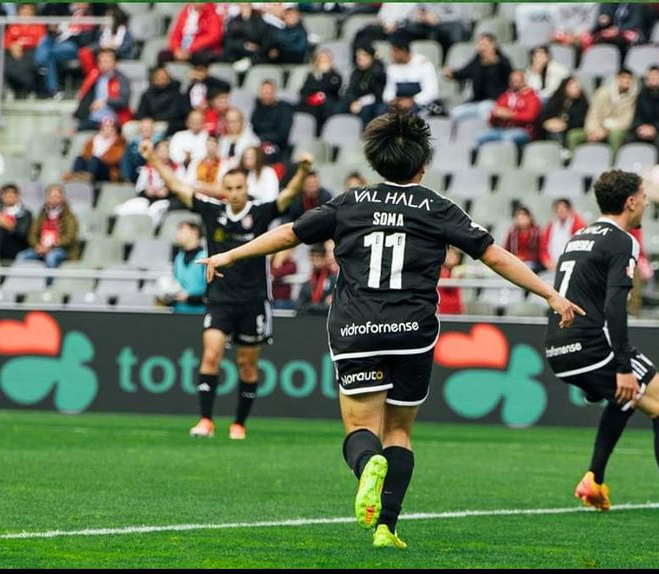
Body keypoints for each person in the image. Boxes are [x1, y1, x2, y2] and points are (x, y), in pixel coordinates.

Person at [199, 109, 582, 549]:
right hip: (413, 331)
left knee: (360, 428)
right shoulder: (437, 207)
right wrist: (550, 294)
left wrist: (230, 255)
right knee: (399, 431)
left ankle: (367, 466)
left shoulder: (350, 203)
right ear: (422, 165)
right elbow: (494, 255)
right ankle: (387, 527)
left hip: (357, 327)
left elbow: (289, 234)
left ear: (376, 162)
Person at [544, 169, 659, 522]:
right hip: (593, 345)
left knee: (626, 398)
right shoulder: (622, 241)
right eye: (643, 197)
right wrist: (622, 366)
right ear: (630, 202)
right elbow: (614, 308)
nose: (645, 203)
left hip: (556, 346)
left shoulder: (578, 237)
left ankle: (594, 479)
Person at [140, 139, 314, 441]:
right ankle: (205, 420)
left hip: (253, 300)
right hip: (219, 299)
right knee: (211, 356)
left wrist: (302, 171)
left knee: (247, 365)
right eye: (229, 188)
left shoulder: (260, 212)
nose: (234, 193)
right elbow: (178, 186)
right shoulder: (212, 211)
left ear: (246, 188)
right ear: (223, 189)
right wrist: (153, 159)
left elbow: (288, 195)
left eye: (239, 188)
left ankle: (239, 424)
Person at [444, 33, 511, 123]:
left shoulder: (502, 61)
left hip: (495, 102)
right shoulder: (477, 61)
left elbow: (510, 73)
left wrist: (495, 61)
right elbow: (463, 72)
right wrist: (452, 74)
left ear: (493, 45)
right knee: (455, 113)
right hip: (476, 102)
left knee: (484, 111)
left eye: (485, 45)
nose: (483, 48)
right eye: (480, 44)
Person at [17, 185, 80, 269]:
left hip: (62, 250)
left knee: (51, 257)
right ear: (46, 198)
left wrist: (52, 246)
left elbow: (70, 237)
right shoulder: (41, 215)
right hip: (40, 248)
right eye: (51, 196)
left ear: (62, 198)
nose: (54, 199)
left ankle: (50, 278)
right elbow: (32, 233)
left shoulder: (70, 217)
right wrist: (37, 245)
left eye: (57, 196)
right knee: (21, 256)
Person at [477, 70, 542, 148]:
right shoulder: (505, 97)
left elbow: (529, 117)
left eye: (517, 80)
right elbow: (494, 114)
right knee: (481, 137)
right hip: (503, 129)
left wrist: (511, 115)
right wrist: (496, 114)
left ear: (524, 81)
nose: (513, 83)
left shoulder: (532, 98)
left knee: (507, 138)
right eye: (512, 80)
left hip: (524, 131)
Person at [74, 49, 132, 131]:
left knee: (107, 129)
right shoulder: (95, 77)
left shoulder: (122, 79)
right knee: (74, 130)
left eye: (106, 61)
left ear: (114, 63)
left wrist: (105, 102)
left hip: (114, 117)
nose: (103, 64)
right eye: (100, 62)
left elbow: (123, 101)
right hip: (95, 117)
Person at [582, 69, 639, 152]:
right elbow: (593, 114)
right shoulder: (602, 93)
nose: (626, 81)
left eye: (629, 78)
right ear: (617, 78)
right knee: (573, 136)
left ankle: (614, 159)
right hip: (597, 128)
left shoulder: (633, 98)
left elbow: (626, 122)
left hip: (617, 129)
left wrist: (606, 130)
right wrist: (593, 131)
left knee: (615, 136)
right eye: (623, 77)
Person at [69, 118, 127, 183]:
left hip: (107, 169)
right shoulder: (94, 140)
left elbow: (115, 158)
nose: (107, 129)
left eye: (110, 128)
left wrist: (99, 158)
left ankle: (89, 177)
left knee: (95, 159)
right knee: (79, 158)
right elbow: (85, 154)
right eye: (105, 127)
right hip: (91, 163)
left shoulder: (119, 142)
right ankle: (76, 176)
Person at [135, 66, 187, 135]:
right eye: (158, 77)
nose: (161, 79)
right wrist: (146, 120)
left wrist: (153, 120)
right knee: (129, 128)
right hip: (147, 123)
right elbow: (140, 112)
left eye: (164, 77)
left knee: (160, 128)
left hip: (167, 123)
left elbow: (173, 114)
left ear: (169, 78)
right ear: (153, 79)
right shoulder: (147, 94)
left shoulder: (176, 94)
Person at [540, 77, 589, 148]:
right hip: (553, 129)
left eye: (577, 87)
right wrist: (548, 122)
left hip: (570, 128)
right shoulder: (556, 99)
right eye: (572, 87)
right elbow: (545, 116)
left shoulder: (582, 103)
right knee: (552, 130)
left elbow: (581, 120)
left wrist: (565, 125)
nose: (576, 89)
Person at [251, 80, 294, 162]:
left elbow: (282, 135)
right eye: (263, 91)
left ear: (274, 92)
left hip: (277, 146)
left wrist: (260, 139)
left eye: (268, 91)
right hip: (257, 143)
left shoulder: (284, 109)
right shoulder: (257, 108)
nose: (266, 94)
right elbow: (253, 127)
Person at [171, 221, 207, 314]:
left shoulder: (206, 257)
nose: (178, 235)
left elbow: (212, 292)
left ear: (194, 232)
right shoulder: (178, 257)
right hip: (179, 312)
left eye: (182, 231)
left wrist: (190, 298)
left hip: (200, 313)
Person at [540, 198, 586, 271]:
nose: (560, 212)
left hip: (571, 265)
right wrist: (547, 261)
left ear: (569, 210)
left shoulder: (577, 225)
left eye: (563, 209)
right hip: (552, 265)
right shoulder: (551, 226)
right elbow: (543, 247)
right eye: (558, 209)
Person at [297, 243, 336, 315]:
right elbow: (300, 306)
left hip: (326, 319)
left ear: (325, 258)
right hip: (309, 320)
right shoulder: (307, 283)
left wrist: (309, 307)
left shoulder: (334, 280)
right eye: (312, 259)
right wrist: (320, 305)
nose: (315, 262)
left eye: (318, 259)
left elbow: (331, 307)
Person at [503, 206, 544, 273]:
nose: (521, 220)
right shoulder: (512, 233)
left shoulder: (536, 232)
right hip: (515, 260)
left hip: (532, 263)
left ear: (529, 218)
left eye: (523, 217)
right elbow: (507, 249)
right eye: (519, 218)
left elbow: (540, 251)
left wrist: (524, 258)